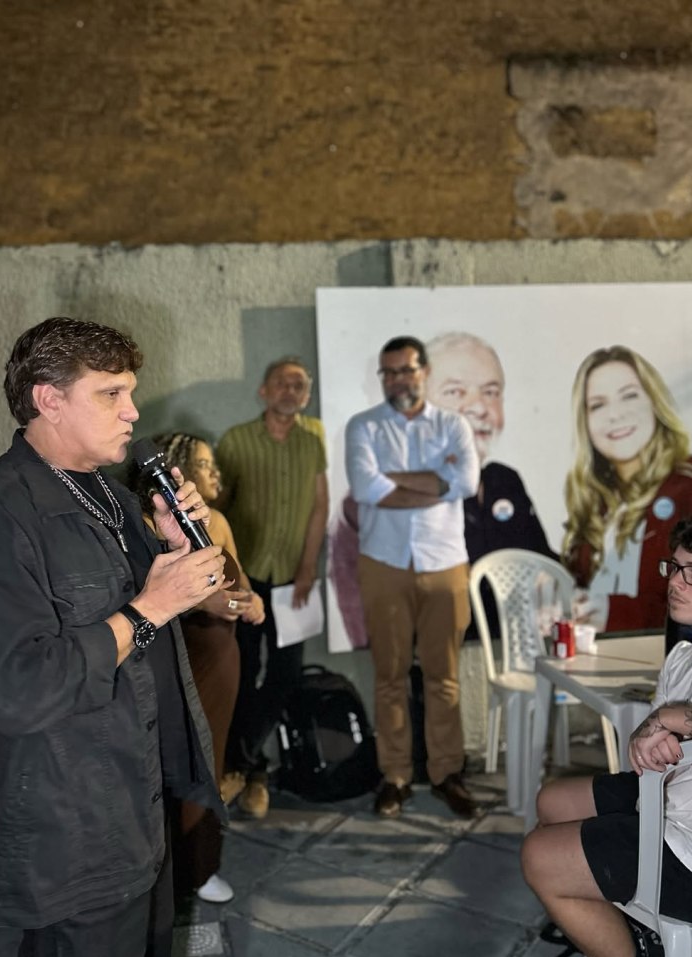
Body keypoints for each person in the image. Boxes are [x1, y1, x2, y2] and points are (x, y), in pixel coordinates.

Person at [0, 317, 227, 957]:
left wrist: (171, 547)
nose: (133, 411)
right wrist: (149, 608)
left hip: (133, 802)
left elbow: (156, 611)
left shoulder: (110, 495)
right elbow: (20, 688)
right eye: (111, 394)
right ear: (49, 399)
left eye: (131, 392)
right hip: (69, 826)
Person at [521, 514, 692, 957]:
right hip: (668, 800)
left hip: (691, 850)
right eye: (674, 568)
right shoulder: (685, 654)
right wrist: (655, 728)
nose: (674, 582)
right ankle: (619, 926)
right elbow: (647, 738)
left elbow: (668, 720)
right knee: (551, 800)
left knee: (538, 857)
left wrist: (669, 718)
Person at [345, 335, 480, 819]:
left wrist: (395, 480)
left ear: (425, 372)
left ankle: (446, 773)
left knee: (444, 677)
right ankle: (396, 775)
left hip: (445, 564)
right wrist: (436, 480)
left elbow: (466, 482)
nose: (397, 380)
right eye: (389, 372)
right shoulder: (363, 426)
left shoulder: (453, 425)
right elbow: (367, 488)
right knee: (390, 677)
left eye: (406, 370)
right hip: (383, 564)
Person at [134, 432, 264, 906]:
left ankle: (201, 866)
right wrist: (212, 602)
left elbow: (239, 586)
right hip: (181, 653)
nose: (215, 474)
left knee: (211, 759)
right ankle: (169, 872)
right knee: (176, 759)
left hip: (222, 653)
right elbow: (159, 599)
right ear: (177, 470)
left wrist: (249, 602)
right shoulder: (146, 525)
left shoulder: (218, 522)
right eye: (205, 465)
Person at [216, 357, 328, 819]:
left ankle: (240, 765)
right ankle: (252, 771)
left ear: (307, 395)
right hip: (246, 578)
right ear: (263, 391)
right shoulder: (236, 440)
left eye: (299, 385)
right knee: (242, 675)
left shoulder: (314, 439)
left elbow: (320, 507)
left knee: (285, 676)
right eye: (282, 383)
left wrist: (308, 567)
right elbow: (217, 509)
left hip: (293, 580)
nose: (290, 390)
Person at [562, 345, 692, 633]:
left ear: (654, 402)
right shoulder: (591, 499)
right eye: (598, 405)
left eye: (629, 396)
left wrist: (610, 612)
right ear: (585, 421)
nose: (615, 415)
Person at [427, 331, 555, 637]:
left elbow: (543, 561)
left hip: (516, 648)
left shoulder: (504, 481)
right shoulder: (406, 494)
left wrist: (556, 588)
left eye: (491, 392)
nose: (480, 407)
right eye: (456, 392)